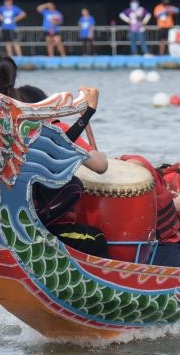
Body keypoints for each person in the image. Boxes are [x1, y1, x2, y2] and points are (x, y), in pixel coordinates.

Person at [14, 84, 109, 258]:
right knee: (97, 238)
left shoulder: (10, 133)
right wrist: (89, 112)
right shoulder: (57, 129)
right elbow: (100, 166)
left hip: (18, 220)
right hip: (55, 228)